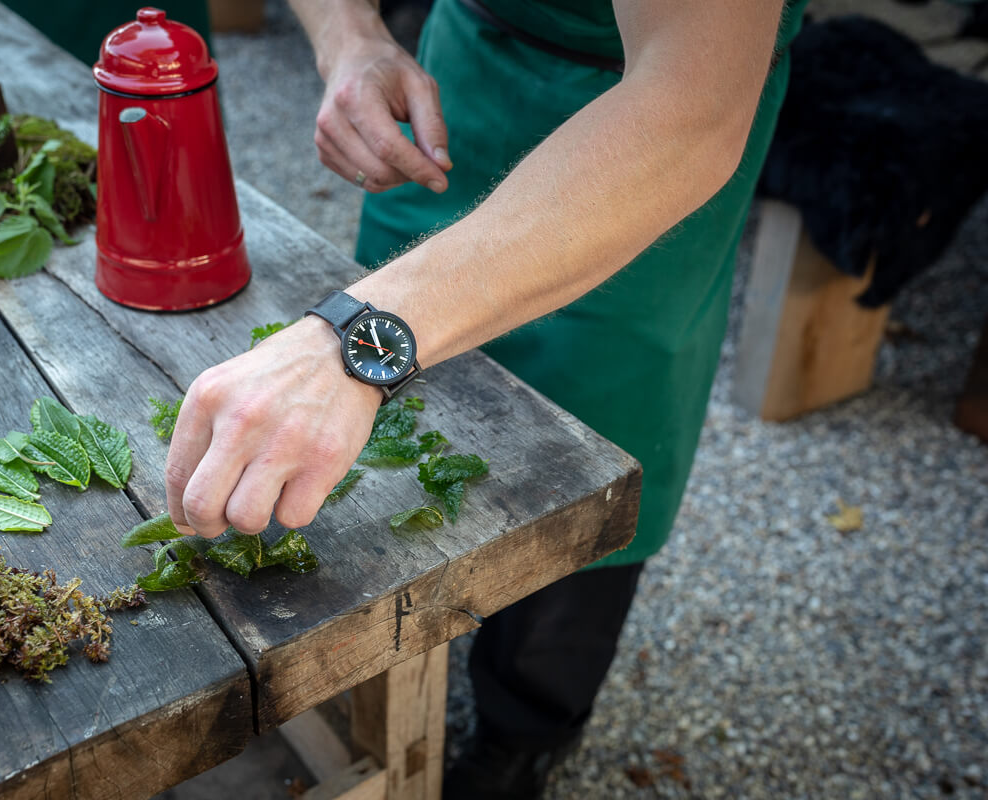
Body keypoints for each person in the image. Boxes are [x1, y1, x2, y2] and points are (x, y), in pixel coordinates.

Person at [165, 0, 808, 797]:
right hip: (460, 83)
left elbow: (694, 108)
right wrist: (349, 39)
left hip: (643, 142)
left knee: (596, 433)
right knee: (386, 438)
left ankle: (528, 721)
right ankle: (377, 667)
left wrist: (355, 338)